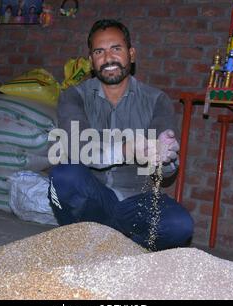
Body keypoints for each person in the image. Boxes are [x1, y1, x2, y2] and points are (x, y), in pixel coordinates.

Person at [48, 19, 194, 251]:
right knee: (63, 176)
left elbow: (165, 170)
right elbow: (78, 148)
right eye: (99, 51)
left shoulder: (156, 100)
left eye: (116, 48)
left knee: (179, 225)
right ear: (91, 61)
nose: (108, 58)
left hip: (137, 201)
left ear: (131, 54)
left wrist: (165, 157)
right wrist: (128, 149)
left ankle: (118, 248)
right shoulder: (74, 96)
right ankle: (84, 240)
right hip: (94, 199)